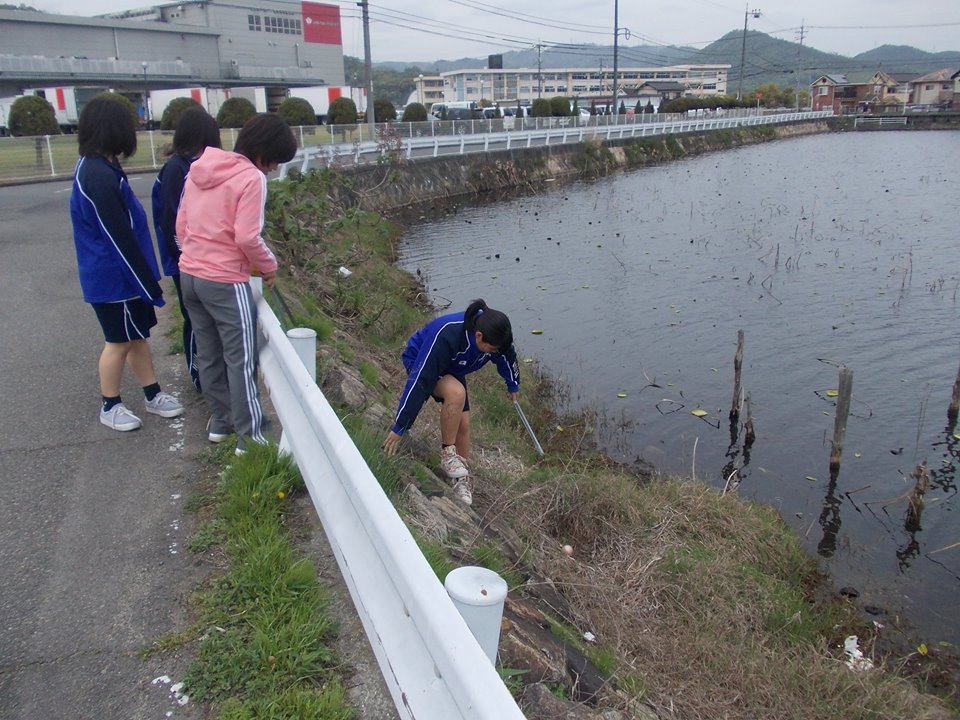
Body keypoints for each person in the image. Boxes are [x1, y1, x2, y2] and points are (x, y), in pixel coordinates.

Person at [176, 113, 297, 454]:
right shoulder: (251, 178)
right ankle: (252, 438)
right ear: (264, 153)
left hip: (190, 276)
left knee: (208, 352)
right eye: (275, 161)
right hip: (225, 281)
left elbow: (181, 225)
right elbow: (246, 236)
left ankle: (222, 422)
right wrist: (268, 265)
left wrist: (198, 256)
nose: (273, 169)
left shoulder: (201, 167)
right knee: (242, 358)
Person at [70, 94, 184, 432]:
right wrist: (146, 282)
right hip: (113, 278)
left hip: (120, 277)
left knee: (135, 337)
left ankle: (152, 394)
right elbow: (116, 237)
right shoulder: (98, 175)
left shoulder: (102, 166)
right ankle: (110, 404)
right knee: (118, 341)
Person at [383, 299, 521, 505]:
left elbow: (507, 358)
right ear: (478, 336)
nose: (493, 353)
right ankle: (448, 454)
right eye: (491, 349)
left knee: (463, 424)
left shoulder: (496, 338)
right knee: (456, 393)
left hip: (452, 367)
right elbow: (420, 381)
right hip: (422, 360)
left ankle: (460, 481)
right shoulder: (447, 333)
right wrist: (400, 426)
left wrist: (513, 385)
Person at [151, 107, 222, 392]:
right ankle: (200, 378)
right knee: (196, 321)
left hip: (194, 261)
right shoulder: (176, 170)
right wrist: (187, 259)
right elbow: (172, 223)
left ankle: (208, 376)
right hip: (186, 263)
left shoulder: (187, 167)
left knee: (203, 322)